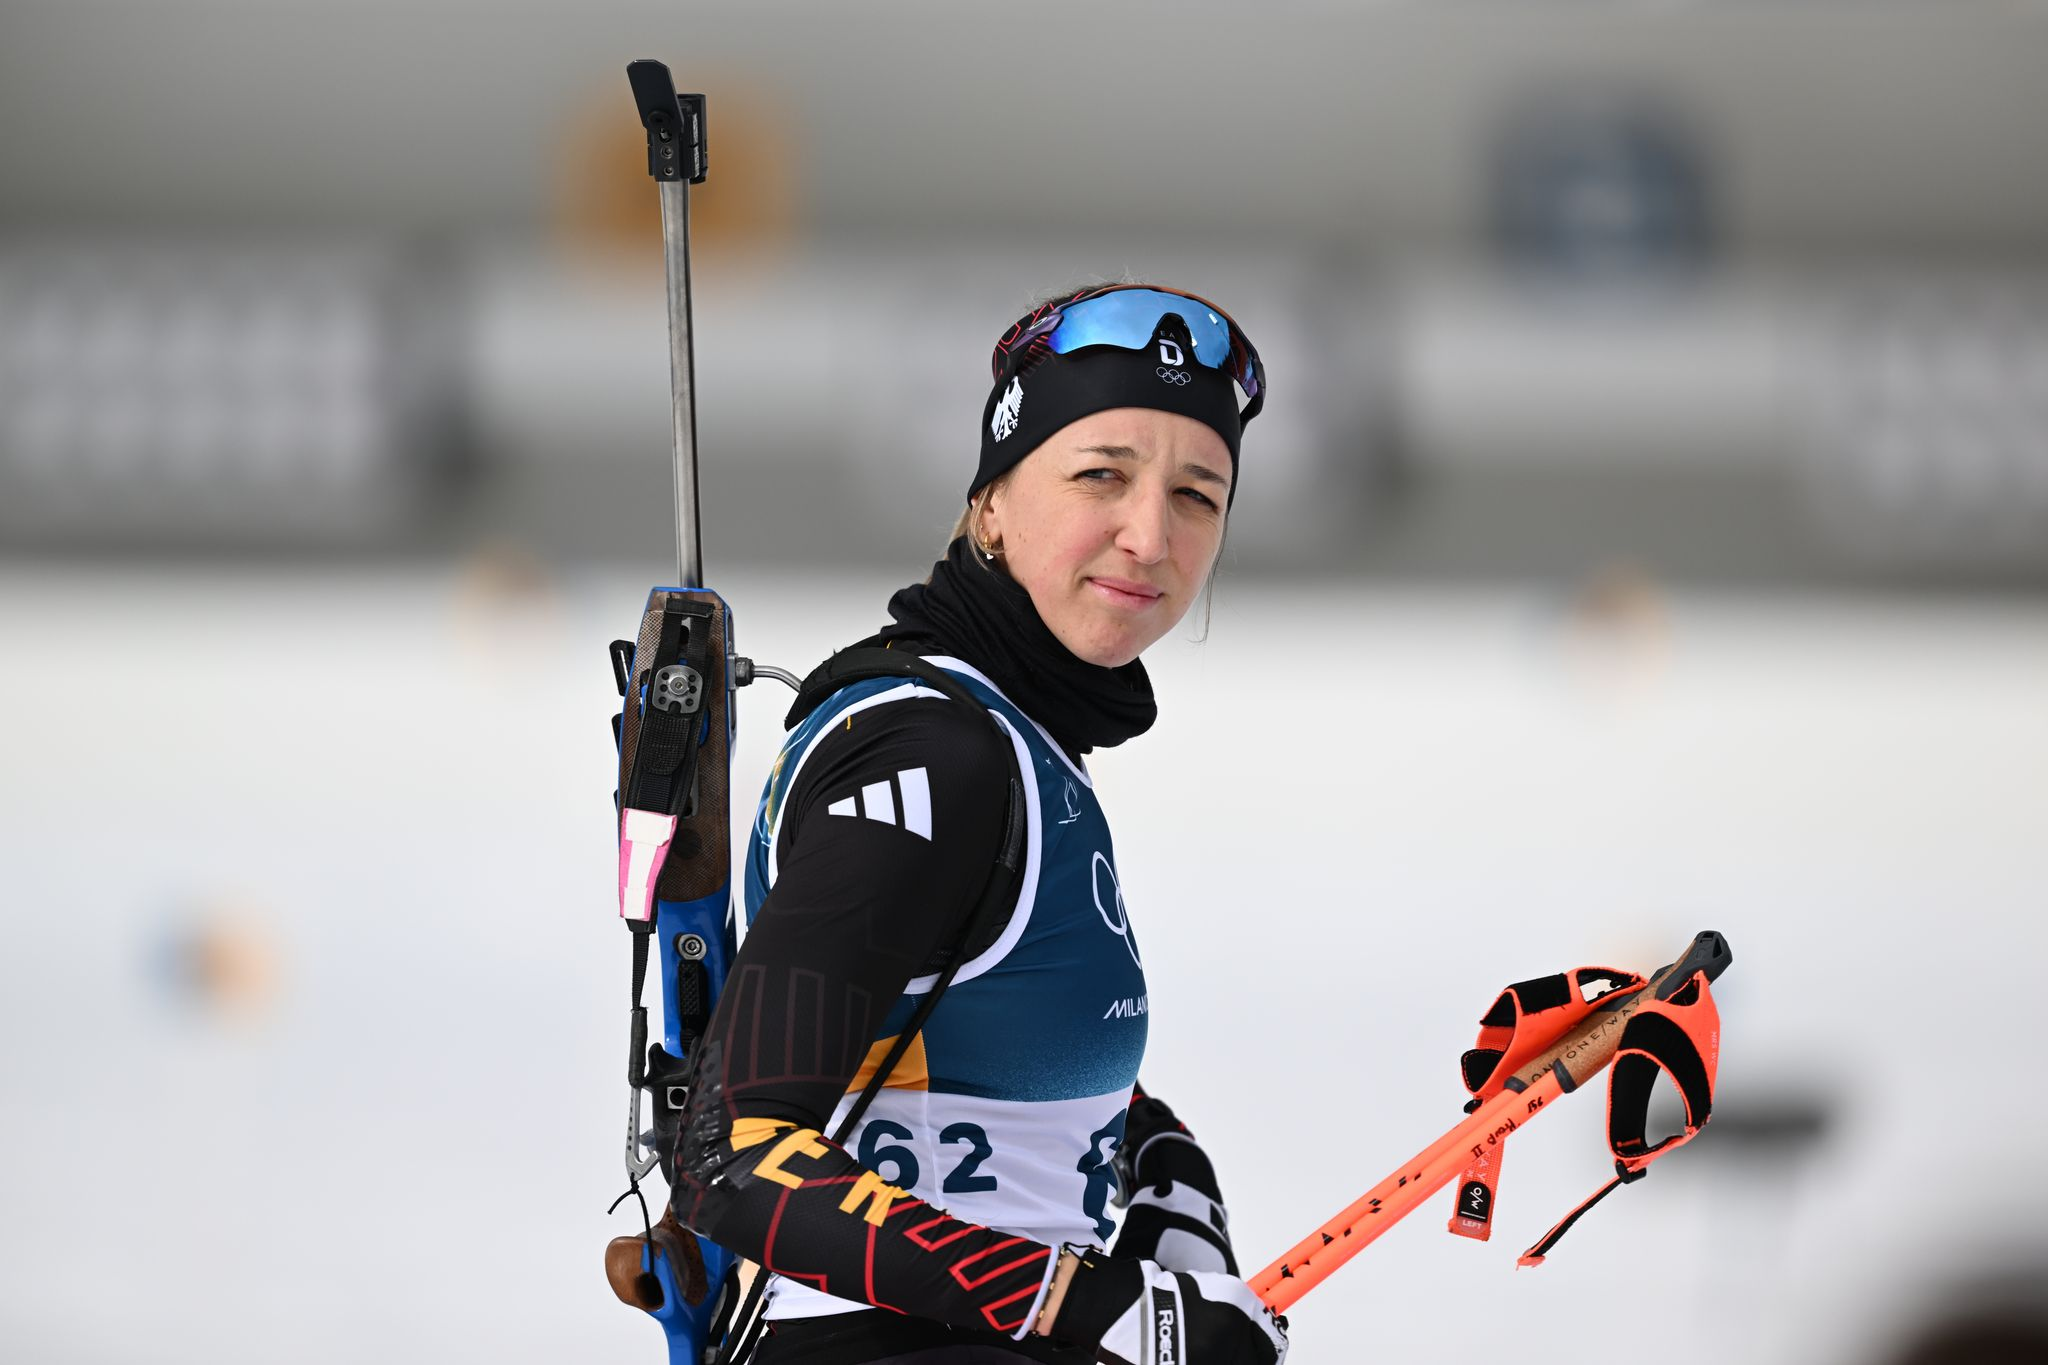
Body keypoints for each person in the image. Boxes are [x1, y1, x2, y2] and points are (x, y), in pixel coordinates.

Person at [669, 283, 1288, 1365]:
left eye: (1198, 495)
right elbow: (736, 1156)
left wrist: (1160, 1167)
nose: (1148, 534)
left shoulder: (1016, 745)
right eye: (1101, 474)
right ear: (992, 502)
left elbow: (967, 1046)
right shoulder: (936, 755)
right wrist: (1092, 1307)